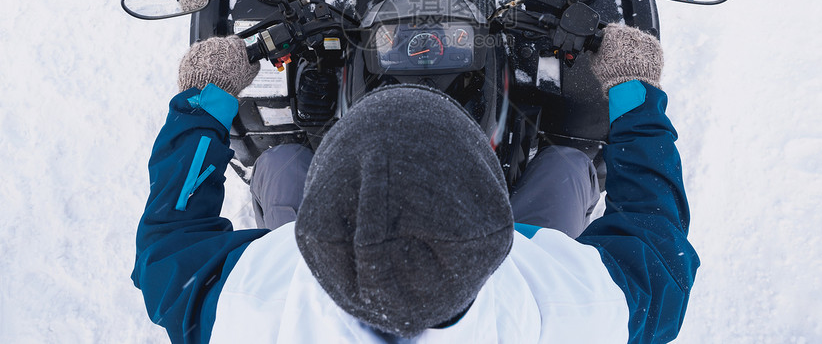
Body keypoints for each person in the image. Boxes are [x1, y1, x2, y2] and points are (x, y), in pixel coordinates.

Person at [132, 24, 698, 343]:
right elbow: (657, 239)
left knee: (278, 164)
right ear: (490, 222)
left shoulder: (252, 304)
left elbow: (169, 243)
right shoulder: (576, 306)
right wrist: (633, 88)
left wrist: (206, 94)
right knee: (570, 168)